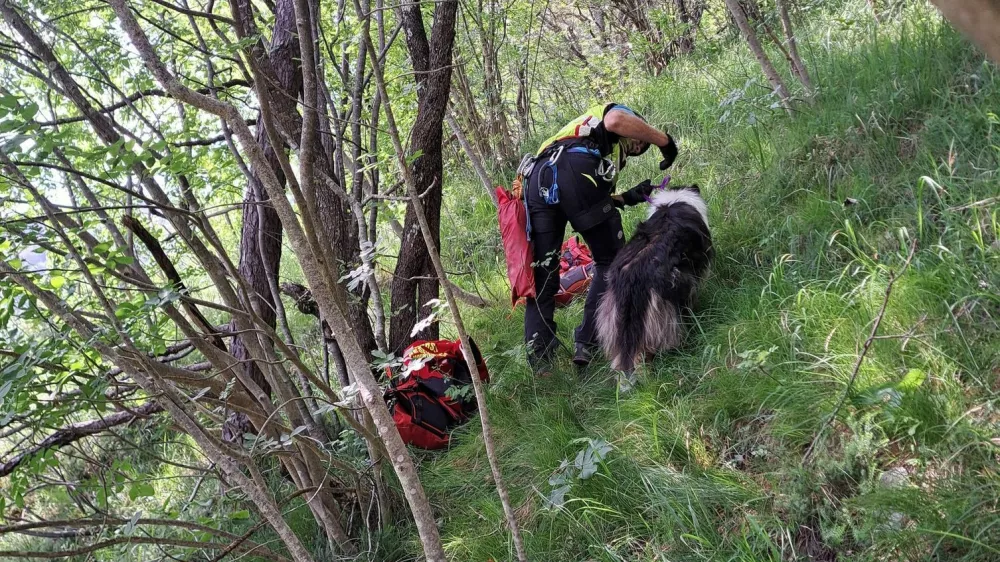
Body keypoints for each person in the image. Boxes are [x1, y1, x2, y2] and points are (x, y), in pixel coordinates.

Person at [521, 103, 677, 374]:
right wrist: (665, 142)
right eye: (638, 142)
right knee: (612, 262)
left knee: (543, 277)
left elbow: (587, 203)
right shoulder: (613, 114)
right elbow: (616, 120)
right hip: (572, 171)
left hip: (537, 180)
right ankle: (586, 342)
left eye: (640, 150)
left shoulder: (589, 143)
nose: (637, 148)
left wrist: (628, 198)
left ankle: (541, 365)